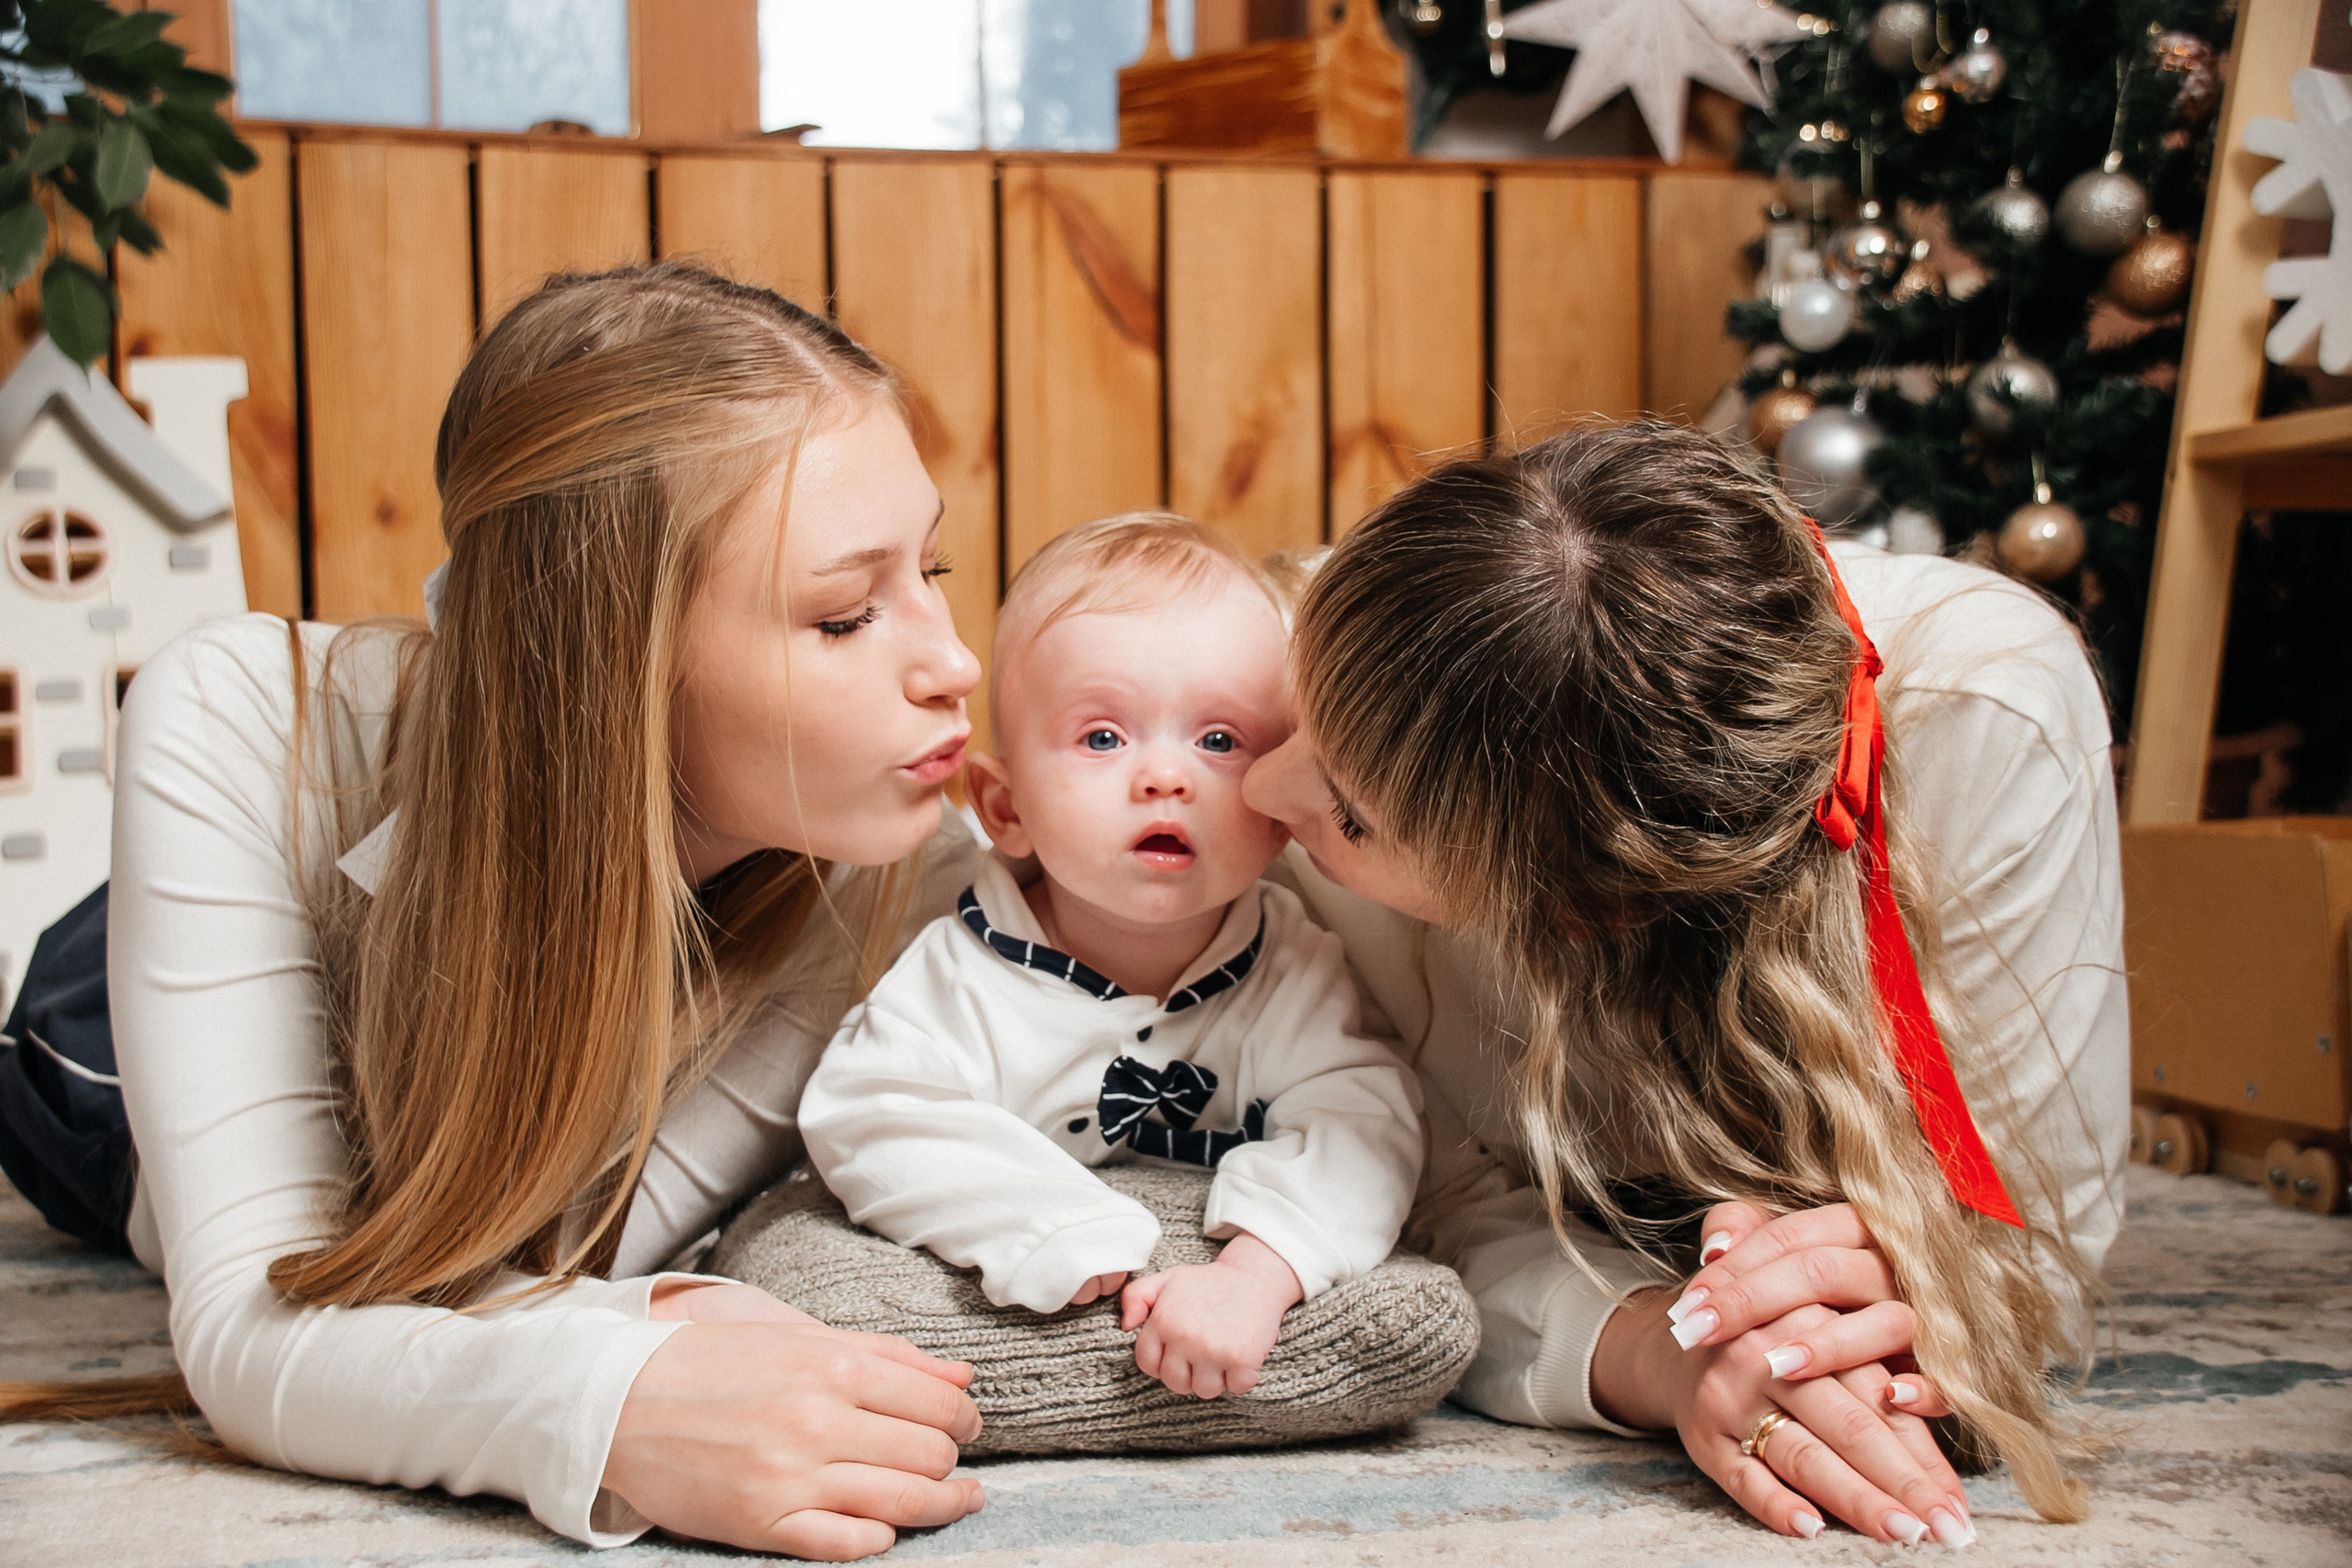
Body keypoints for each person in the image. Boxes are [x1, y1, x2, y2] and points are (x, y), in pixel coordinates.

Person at [1, 263, 1000, 1561]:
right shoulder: (235, 717)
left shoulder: (896, 859)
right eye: (848, 612)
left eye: (933, 568)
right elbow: (259, 1325)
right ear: (614, 650)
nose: (953, 660)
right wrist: (602, 1405)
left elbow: (546, 1259)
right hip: (120, 1045)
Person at [1244, 423, 2127, 1548]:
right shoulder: (1344, 658)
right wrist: (1661, 1350)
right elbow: (1417, 1205)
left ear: (1582, 914)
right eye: (1293, 707)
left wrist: (1918, 1279)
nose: (1262, 789)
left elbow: (2041, 1241)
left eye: (1352, 815)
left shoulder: (1986, 709)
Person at [800, 515, 1421, 1400]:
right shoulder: (962, 972)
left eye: (1218, 741)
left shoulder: (1291, 962)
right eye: (1103, 738)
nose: (1165, 777)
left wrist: (1259, 1273)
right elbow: (867, 1110)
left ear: (1278, 800)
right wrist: (1052, 1225)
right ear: (1004, 807)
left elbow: (1364, 1120)